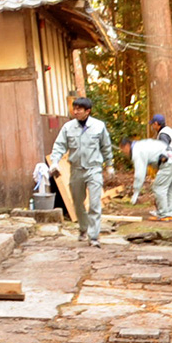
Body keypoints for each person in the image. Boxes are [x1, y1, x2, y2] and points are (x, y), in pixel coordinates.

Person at [49, 96, 114, 247]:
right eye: (74, 108)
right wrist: (55, 162)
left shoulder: (98, 126)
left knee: (94, 203)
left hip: (94, 169)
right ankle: (84, 229)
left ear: (88, 111)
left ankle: (94, 237)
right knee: (78, 203)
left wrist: (109, 165)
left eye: (79, 109)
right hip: (76, 170)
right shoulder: (68, 127)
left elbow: (106, 146)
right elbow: (59, 145)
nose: (75, 111)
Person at [122, 135, 172, 221]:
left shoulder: (137, 151)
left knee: (159, 188)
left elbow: (140, 174)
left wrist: (136, 192)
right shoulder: (141, 144)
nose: (123, 152)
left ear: (127, 146)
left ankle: (163, 214)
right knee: (170, 188)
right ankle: (169, 213)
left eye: (123, 149)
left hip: (167, 162)